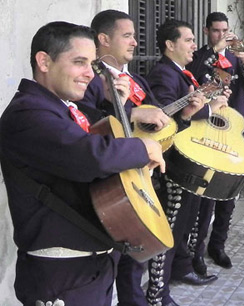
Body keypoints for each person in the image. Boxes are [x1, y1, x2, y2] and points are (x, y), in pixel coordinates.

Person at [0, 21, 165, 306]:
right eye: (79, 62)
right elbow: (91, 156)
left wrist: (120, 106)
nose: (90, 74)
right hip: (63, 275)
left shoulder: (61, 108)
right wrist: (143, 146)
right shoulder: (27, 114)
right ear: (44, 61)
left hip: (88, 268)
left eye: (92, 63)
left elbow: (99, 128)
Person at [80, 10, 206, 306]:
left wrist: (183, 115)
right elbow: (83, 123)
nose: (135, 42)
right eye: (127, 35)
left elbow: (159, 120)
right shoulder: (89, 78)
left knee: (135, 258)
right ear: (103, 39)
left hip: (143, 176)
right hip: (108, 183)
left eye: (134, 36)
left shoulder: (135, 79)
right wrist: (132, 112)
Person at [145, 18, 229, 306]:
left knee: (184, 226)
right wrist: (208, 110)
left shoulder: (180, 72)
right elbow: (165, 119)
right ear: (170, 45)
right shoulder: (164, 74)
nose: (195, 45)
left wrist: (212, 99)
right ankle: (157, 292)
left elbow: (191, 104)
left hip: (190, 162)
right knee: (169, 230)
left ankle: (181, 269)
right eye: (189, 40)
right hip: (174, 165)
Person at [185, 11, 244, 274]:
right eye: (216, 30)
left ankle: (218, 245)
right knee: (205, 194)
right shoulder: (198, 56)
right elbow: (192, 76)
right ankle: (196, 252)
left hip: (234, 129)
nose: (222, 35)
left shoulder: (235, 57)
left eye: (224, 30)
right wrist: (213, 51)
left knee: (229, 193)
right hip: (207, 129)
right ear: (207, 31)